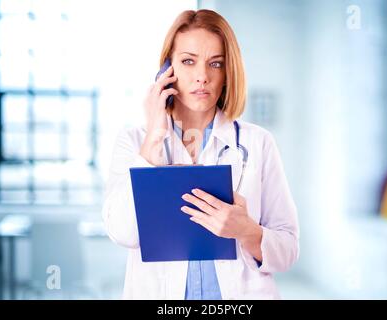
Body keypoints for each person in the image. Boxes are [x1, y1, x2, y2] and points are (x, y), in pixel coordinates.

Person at [102, 9, 299, 300]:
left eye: (215, 64)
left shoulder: (257, 143)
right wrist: (154, 139)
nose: (202, 77)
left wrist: (246, 231)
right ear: (167, 70)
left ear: (228, 73)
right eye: (188, 61)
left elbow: (288, 250)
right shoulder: (134, 142)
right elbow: (123, 233)